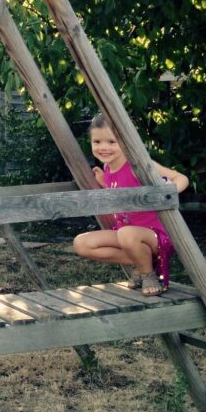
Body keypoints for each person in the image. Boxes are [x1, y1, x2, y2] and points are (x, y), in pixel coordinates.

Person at [73, 113, 189, 296]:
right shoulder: (108, 168)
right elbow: (121, 192)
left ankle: (147, 273)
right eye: (97, 142)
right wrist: (104, 183)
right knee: (82, 243)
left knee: (126, 233)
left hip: (156, 236)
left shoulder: (138, 166)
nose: (104, 147)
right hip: (126, 235)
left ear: (125, 141)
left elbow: (180, 178)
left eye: (112, 142)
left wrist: (167, 190)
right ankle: (144, 262)